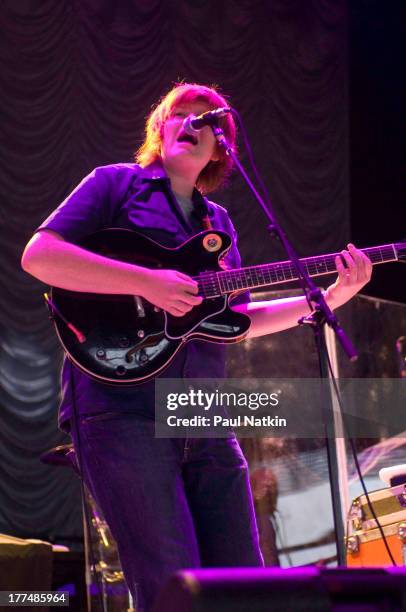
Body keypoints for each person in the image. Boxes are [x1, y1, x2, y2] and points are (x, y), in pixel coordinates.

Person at [21, 82, 372, 611]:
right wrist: (146, 281)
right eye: (179, 114)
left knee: (241, 583)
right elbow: (40, 256)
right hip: (123, 411)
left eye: (207, 120)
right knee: (169, 582)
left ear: (221, 147)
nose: (191, 124)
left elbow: (239, 322)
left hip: (204, 414)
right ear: (159, 130)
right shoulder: (114, 185)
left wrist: (330, 296)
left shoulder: (218, 224)